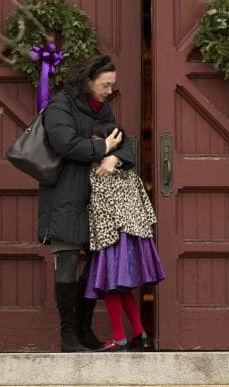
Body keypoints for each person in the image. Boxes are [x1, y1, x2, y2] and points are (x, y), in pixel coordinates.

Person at [39, 54, 136, 352]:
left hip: (97, 203)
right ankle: (68, 336)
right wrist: (103, 147)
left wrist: (115, 156)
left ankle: (83, 331)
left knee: (95, 268)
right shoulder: (59, 106)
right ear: (87, 81)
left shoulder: (103, 110)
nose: (110, 91)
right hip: (65, 198)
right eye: (105, 85)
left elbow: (126, 144)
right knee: (67, 264)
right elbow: (66, 143)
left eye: (112, 86)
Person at [85, 122, 166, 352]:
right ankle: (140, 333)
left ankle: (119, 338)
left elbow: (96, 205)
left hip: (111, 235)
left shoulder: (98, 169)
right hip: (134, 236)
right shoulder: (129, 171)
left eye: (96, 141)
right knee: (122, 288)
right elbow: (145, 206)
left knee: (110, 285)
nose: (94, 146)